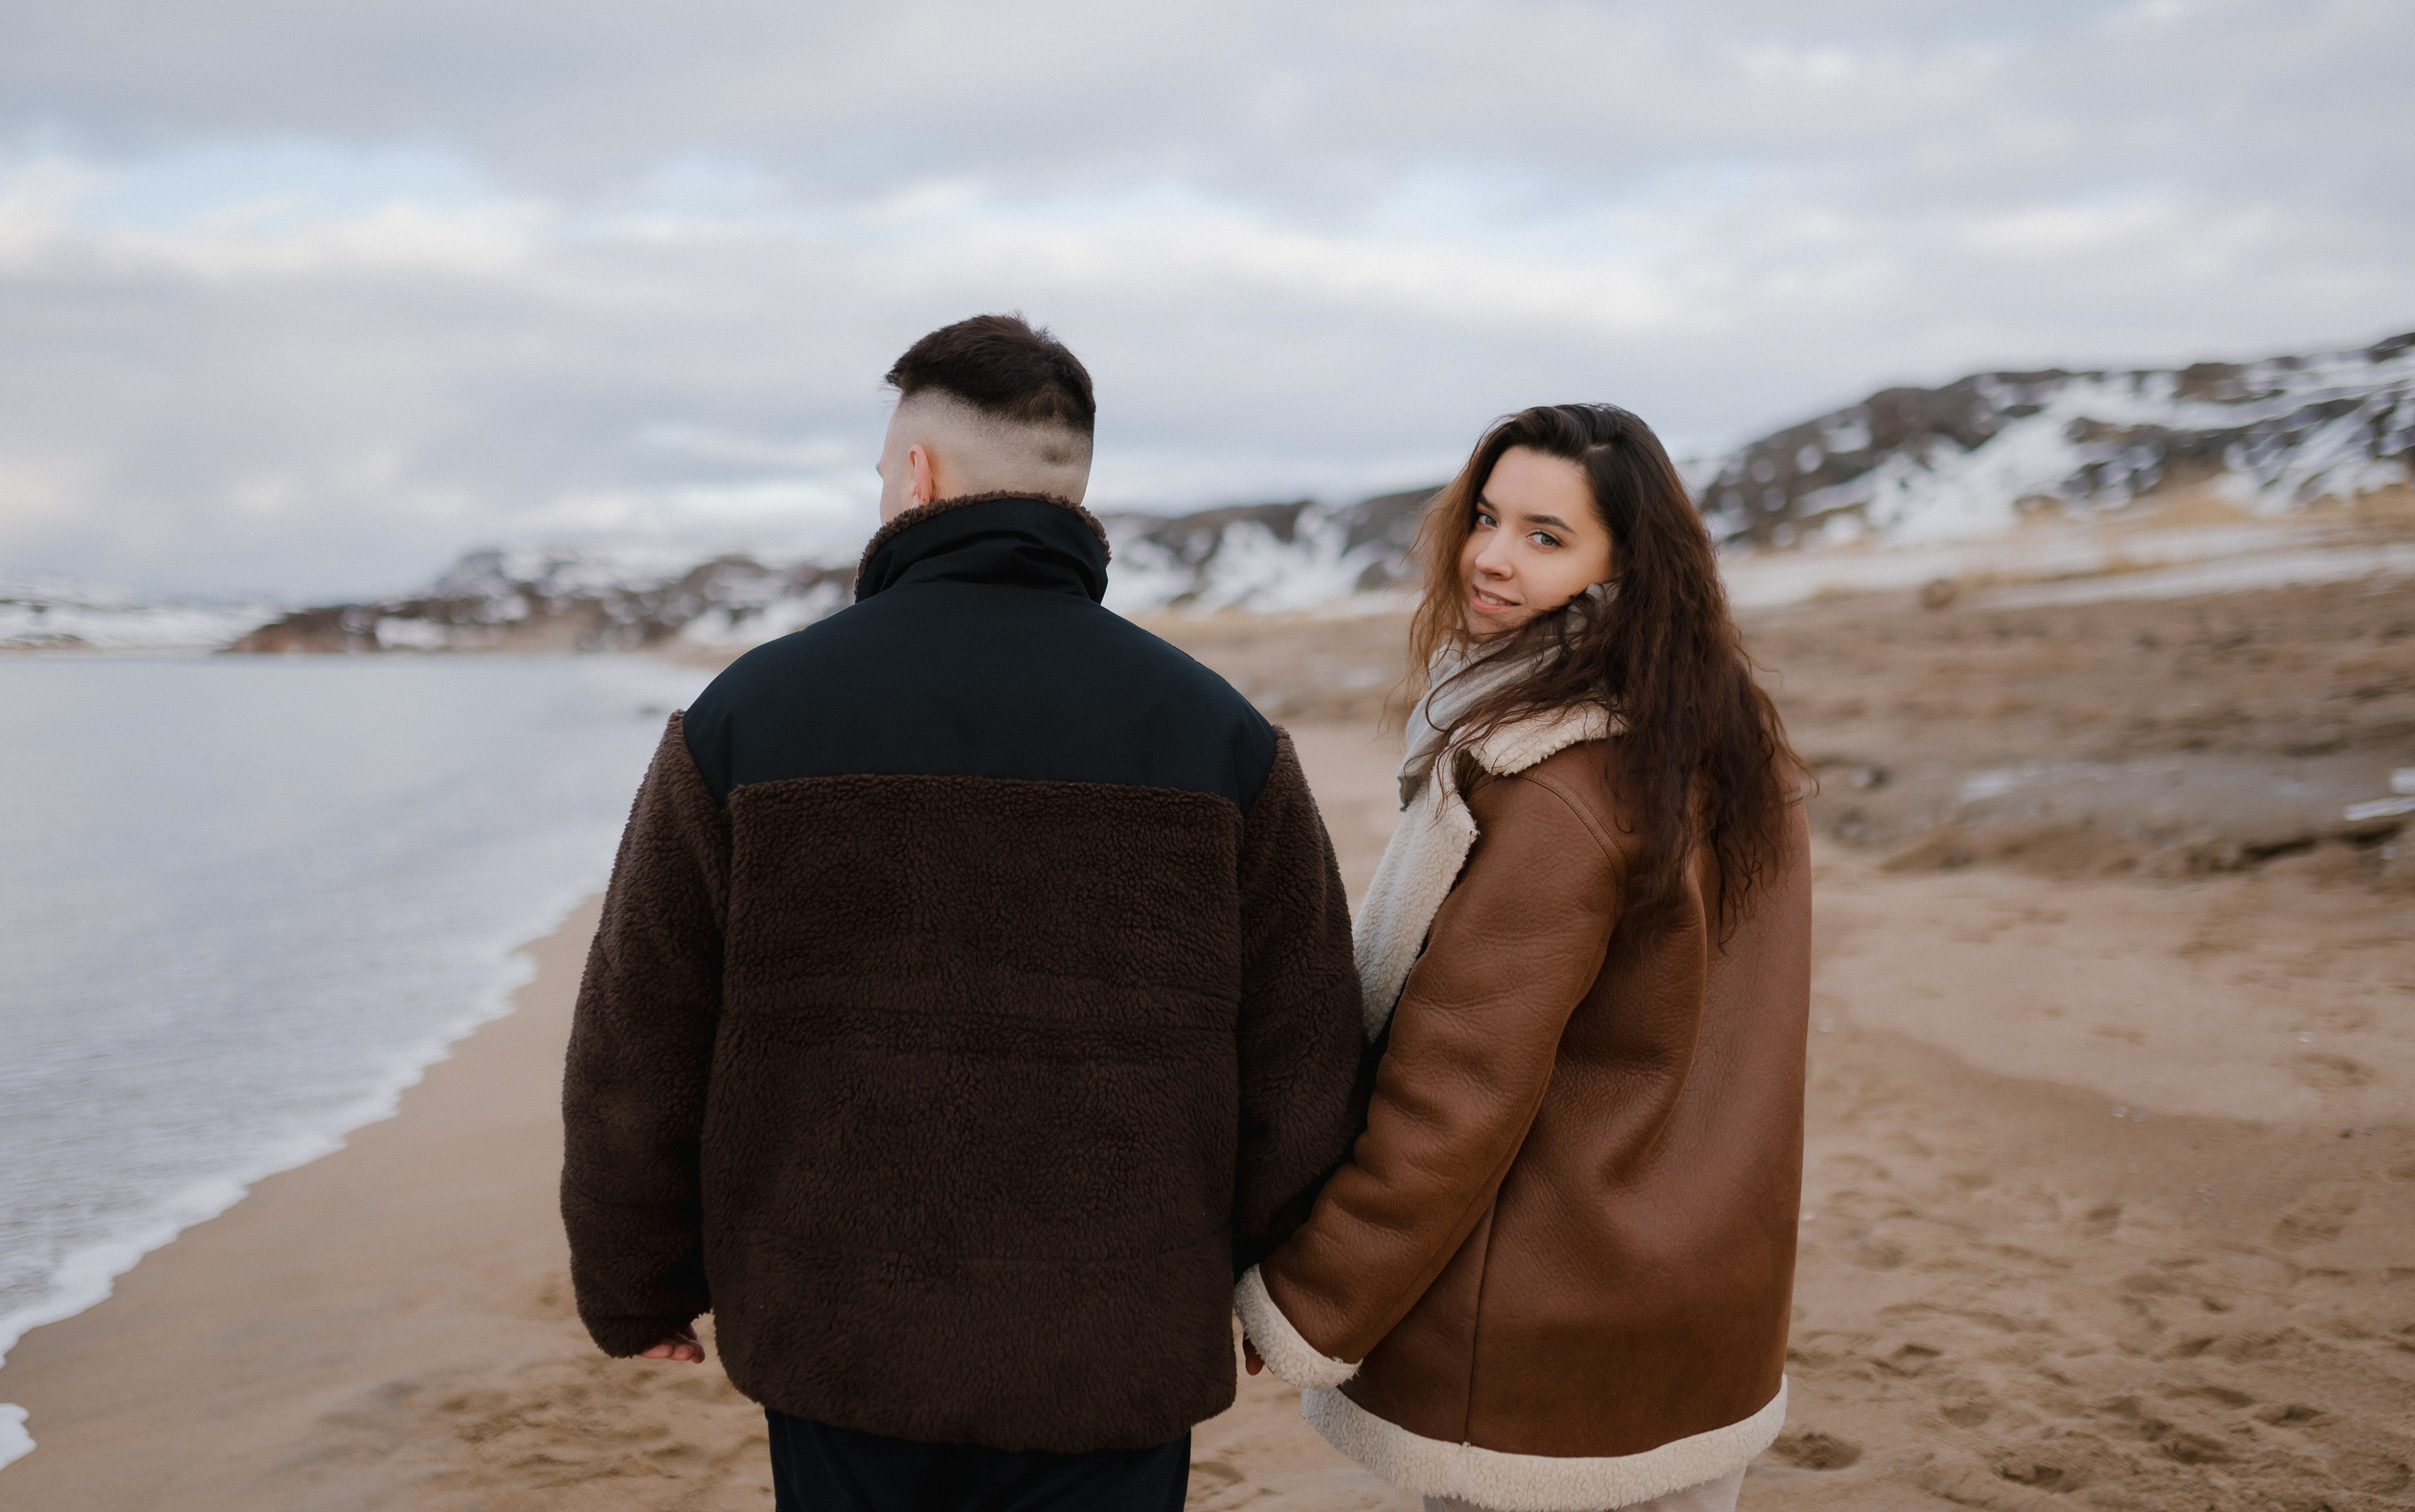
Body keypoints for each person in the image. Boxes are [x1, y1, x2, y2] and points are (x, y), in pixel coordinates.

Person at [559, 314, 1365, 1512]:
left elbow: (641, 1034)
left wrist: (637, 1280)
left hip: (841, 1334)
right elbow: (1306, 1054)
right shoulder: (1220, 736)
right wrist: (1276, 1282)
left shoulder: (748, 717)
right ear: (1072, 488)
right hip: (1115, 1338)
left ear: (916, 473)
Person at [1234, 402, 1813, 1512]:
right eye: (1486, 517)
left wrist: (1311, 1299)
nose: (1491, 557)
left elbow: (1456, 1091)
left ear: (1627, 565)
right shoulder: (1729, 741)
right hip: (1710, 1299)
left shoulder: (1552, 779)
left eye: (1546, 536)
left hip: (1545, 1329)